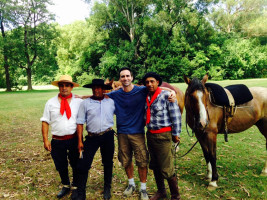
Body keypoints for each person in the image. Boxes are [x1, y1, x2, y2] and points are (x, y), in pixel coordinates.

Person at [107, 67, 176, 200]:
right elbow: (99, 97)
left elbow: (159, 89)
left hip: (138, 132)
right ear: (119, 79)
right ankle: (131, 184)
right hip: (122, 133)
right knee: (126, 160)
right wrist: (81, 97)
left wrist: (172, 91)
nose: (125, 78)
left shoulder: (141, 90)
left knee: (142, 160)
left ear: (131, 77)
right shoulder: (115, 94)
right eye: (122, 76)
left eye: (127, 76)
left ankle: (143, 188)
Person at [40, 75, 83, 199]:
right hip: (57, 140)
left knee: (76, 163)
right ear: (59, 87)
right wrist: (45, 139)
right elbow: (45, 121)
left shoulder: (79, 101)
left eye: (67, 85)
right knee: (60, 164)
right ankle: (65, 184)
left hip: (74, 138)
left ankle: (75, 186)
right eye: (61, 85)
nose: (64, 88)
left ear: (71, 87)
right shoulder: (50, 103)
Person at [142, 72, 181, 200]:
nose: (149, 84)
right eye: (147, 82)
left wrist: (176, 134)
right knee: (155, 164)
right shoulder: (146, 96)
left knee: (167, 167)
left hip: (163, 136)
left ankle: (175, 196)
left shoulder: (166, 96)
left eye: (152, 81)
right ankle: (161, 191)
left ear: (158, 82)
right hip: (151, 135)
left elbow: (176, 115)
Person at [74, 79, 115, 200]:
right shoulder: (85, 103)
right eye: (94, 88)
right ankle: (81, 192)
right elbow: (80, 122)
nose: (97, 90)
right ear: (92, 89)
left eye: (99, 88)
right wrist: (80, 141)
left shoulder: (111, 102)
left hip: (108, 135)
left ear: (103, 89)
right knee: (83, 164)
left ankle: (107, 188)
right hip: (92, 137)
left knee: (108, 162)